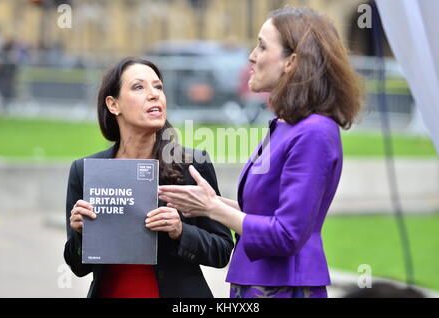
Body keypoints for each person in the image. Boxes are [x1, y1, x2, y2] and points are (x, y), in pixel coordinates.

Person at [158, 7, 363, 298]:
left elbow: (287, 234)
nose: (252, 56)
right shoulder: (288, 125)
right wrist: (209, 202)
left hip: (284, 286)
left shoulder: (314, 131)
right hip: (259, 283)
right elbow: (263, 213)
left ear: (292, 61)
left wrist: (211, 208)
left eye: (263, 46)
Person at [63, 57, 234, 298]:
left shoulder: (192, 165)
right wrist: (81, 234)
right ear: (113, 105)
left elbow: (222, 250)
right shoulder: (86, 170)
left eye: (158, 87)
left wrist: (180, 231)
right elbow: (78, 266)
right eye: (138, 87)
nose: (154, 94)